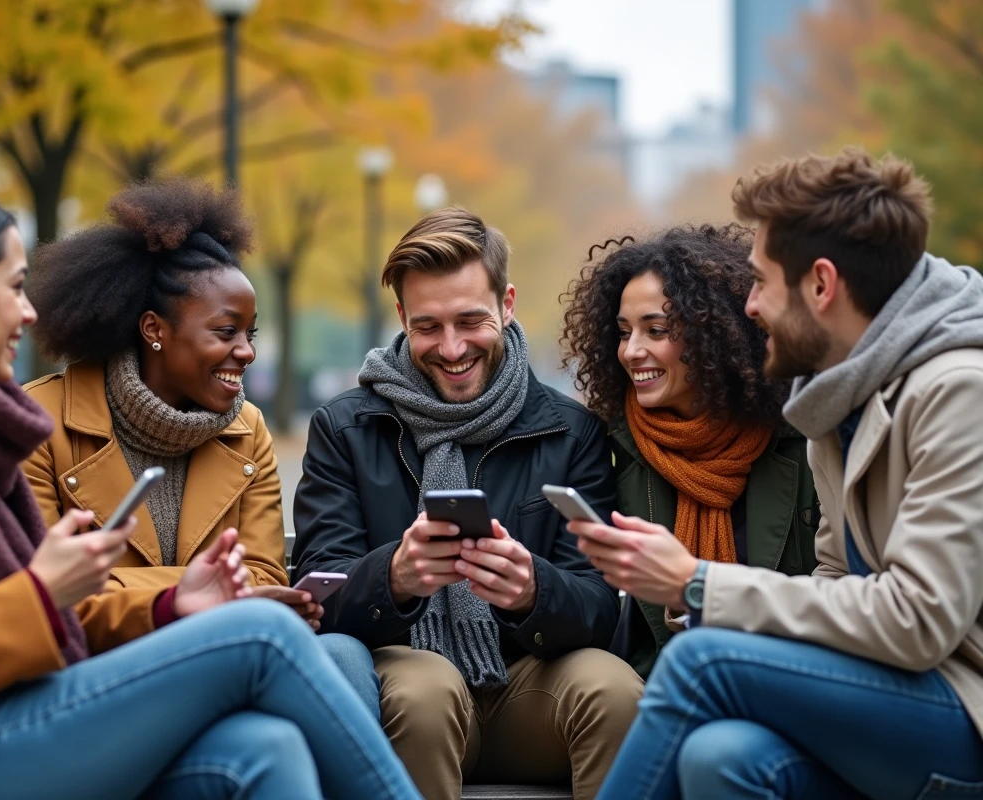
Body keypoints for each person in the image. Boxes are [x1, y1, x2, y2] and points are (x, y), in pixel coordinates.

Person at [0, 182, 423, 800]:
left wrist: (169, 606)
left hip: (9, 708)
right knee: (262, 635)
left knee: (264, 751)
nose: (30, 312)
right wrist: (38, 593)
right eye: (12, 288)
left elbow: (46, 612)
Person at [573, 148, 983, 800]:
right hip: (891, 693)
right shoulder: (835, 397)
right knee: (721, 757)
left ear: (820, 285)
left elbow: (919, 618)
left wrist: (699, 583)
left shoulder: (959, 390)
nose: (752, 305)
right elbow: (833, 584)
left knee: (699, 660)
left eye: (762, 282)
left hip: (963, 711)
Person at [292, 206, 644, 800]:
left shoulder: (571, 431)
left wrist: (533, 591)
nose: (451, 348)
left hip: (526, 680)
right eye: (427, 326)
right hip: (406, 674)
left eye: (470, 321)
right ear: (401, 317)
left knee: (615, 691)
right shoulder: (346, 428)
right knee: (425, 695)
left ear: (506, 305)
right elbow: (316, 595)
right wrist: (396, 578)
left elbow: (600, 608)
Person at [22, 178, 379, 713]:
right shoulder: (40, 423)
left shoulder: (247, 429)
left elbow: (262, 576)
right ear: (153, 329)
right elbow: (47, 591)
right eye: (225, 331)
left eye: (250, 334)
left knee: (343, 657)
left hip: (221, 662)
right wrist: (186, 596)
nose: (246, 352)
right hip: (97, 676)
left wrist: (174, 593)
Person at [560, 224, 818, 678]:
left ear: (714, 336)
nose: (632, 351)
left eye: (655, 330)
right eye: (623, 333)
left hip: (788, 675)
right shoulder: (614, 448)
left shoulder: (802, 440)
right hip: (664, 684)